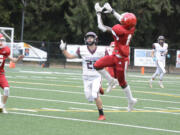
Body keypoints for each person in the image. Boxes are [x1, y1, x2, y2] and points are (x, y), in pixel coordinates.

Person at [59, 32, 117, 120]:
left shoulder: (101, 50)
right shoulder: (82, 49)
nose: (89, 39)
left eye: (91, 38)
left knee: (95, 95)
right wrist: (63, 49)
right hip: (86, 77)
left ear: (95, 39)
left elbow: (109, 62)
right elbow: (70, 56)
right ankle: (98, 88)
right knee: (89, 98)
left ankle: (101, 114)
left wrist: (109, 75)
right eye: (88, 38)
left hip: (97, 76)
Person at [94, 2, 137, 112]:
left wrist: (98, 13)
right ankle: (111, 81)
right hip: (115, 55)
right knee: (97, 65)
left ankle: (131, 100)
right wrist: (112, 11)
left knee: (122, 83)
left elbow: (101, 27)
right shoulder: (131, 28)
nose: (121, 18)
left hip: (121, 59)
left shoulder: (120, 30)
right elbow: (123, 20)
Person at [0, 33, 24, 113]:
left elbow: (13, 60)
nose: (2, 42)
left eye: (2, 40)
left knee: (6, 89)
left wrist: (18, 59)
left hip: (1, 73)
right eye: (0, 40)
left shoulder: (5, 50)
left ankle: (2, 106)